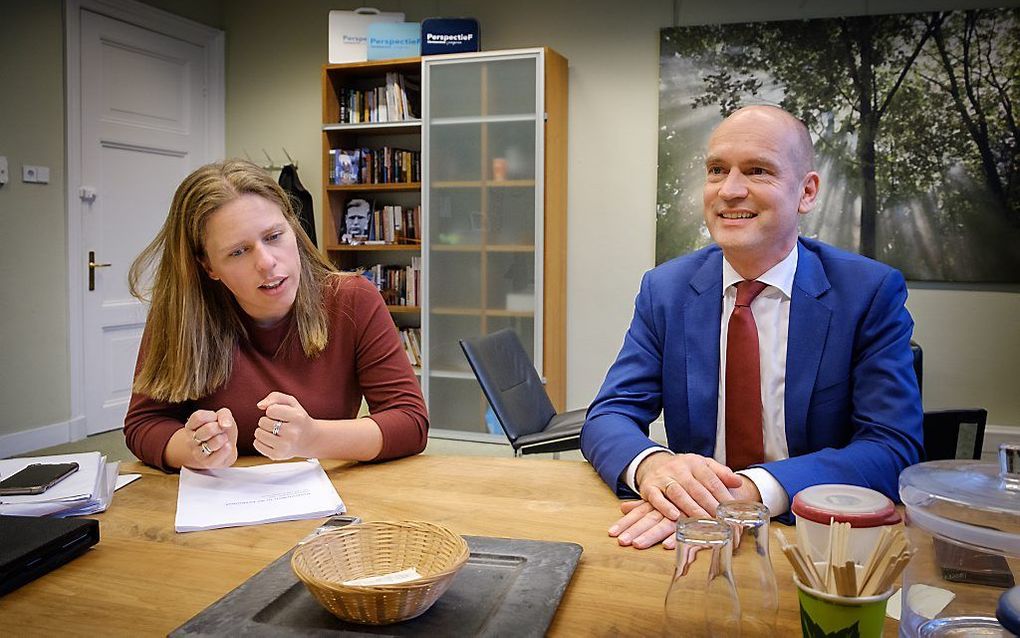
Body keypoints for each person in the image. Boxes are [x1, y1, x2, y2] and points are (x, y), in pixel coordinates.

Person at [581, 105, 923, 550]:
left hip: (814, 541)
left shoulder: (868, 292)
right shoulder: (665, 290)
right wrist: (653, 467)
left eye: (757, 170)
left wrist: (749, 492)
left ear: (807, 192)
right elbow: (609, 415)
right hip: (691, 535)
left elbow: (891, 447)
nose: (730, 190)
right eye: (717, 170)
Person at [124, 159, 428, 471]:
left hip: (328, 495)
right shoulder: (182, 313)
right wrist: (193, 449)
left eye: (273, 236)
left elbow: (410, 421)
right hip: (221, 502)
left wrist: (314, 437)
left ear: (293, 228)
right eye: (238, 252)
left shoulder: (352, 300)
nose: (267, 262)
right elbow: (143, 424)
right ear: (208, 266)